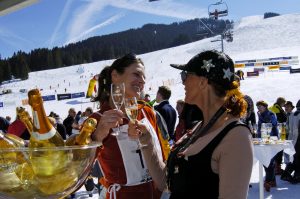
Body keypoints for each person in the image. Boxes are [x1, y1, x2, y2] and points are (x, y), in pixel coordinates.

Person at [128, 50, 253, 198]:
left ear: (203, 82)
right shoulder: (199, 127)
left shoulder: (236, 136)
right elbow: (166, 183)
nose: (183, 81)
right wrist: (147, 140)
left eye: (185, 75)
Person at [90, 53, 168, 199]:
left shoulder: (147, 112)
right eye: (137, 74)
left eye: (144, 77)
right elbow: (81, 167)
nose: (142, 81)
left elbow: (162, 155)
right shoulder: (96, 120)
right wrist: (97, 136)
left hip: (158, 194)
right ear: (115, 76)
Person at [256, 100, 279, 191]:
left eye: (260, 106)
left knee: (269, 161)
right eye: (257, 107)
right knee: (265, 161)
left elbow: (271, 124)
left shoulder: (271, 114)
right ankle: (271, 180)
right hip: (263, 140)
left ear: (265, 106)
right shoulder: (261, 115)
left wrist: (261, 117)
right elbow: (259, 128)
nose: (258, 108)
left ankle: (269, 181)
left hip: (271, 140)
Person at [281, 100, 300, 184]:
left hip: (294, 140)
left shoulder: (294, 114)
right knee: (297, 158)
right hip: (297, 140)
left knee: (296, 158)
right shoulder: (297, 115)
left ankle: (288, 174)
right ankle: (296, 176)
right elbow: (295, 130)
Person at [269, 97, 287, 175]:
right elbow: (281, 120)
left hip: (274, 131)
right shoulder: (277, 108)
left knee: (276, 149)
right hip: (278, 131)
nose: (284, 105)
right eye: (284, 103)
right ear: (281, 102)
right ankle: (277, 168)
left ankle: (275, 167)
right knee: (279, 149)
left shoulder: (272, 107)